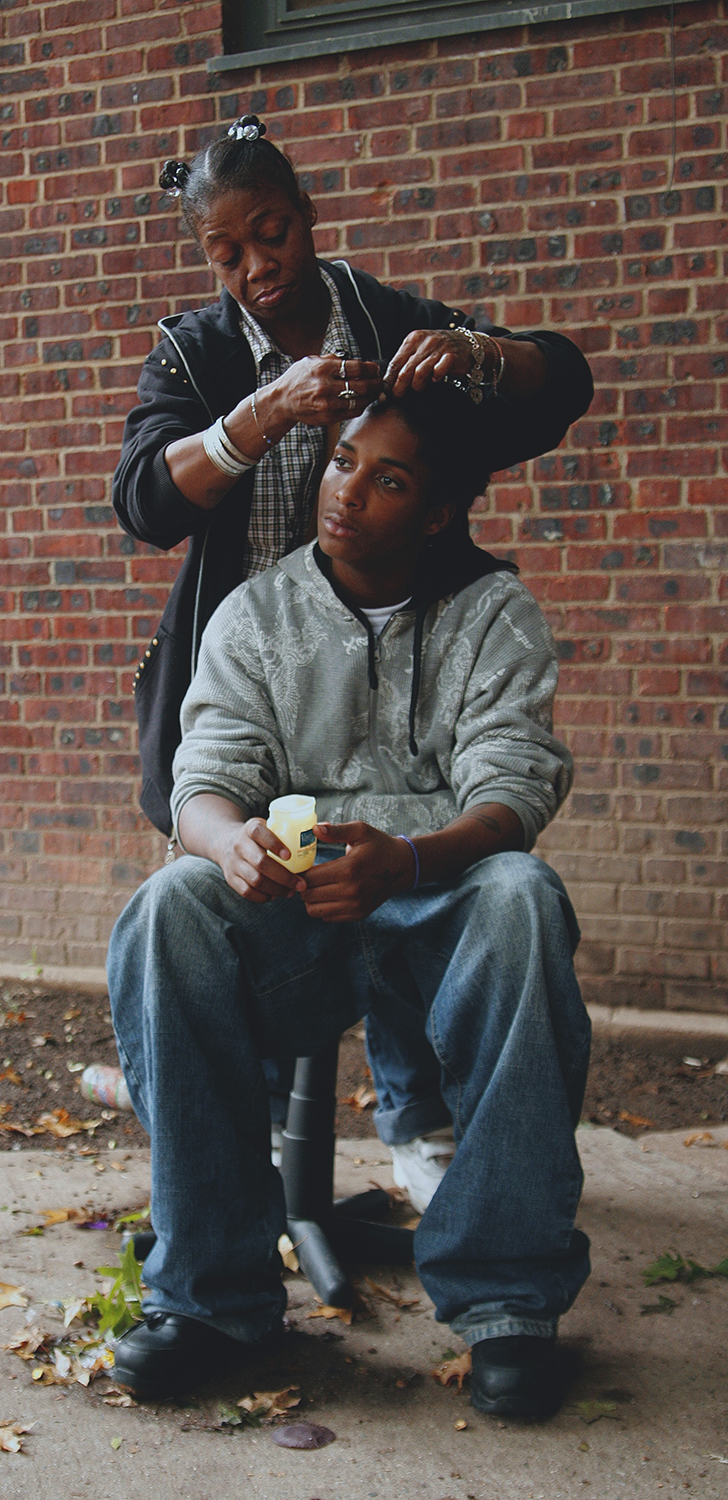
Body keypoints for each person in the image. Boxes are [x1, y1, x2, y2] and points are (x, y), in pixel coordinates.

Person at [112, 110, 594, 1200]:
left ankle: (425, 1132)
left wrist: (474, 353)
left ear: (307, 217)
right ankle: (225, 1196)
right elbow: (144, 502)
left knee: (426, 875)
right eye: (224, 252)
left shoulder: (383, 321)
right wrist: (262, 413)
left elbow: (557, 385)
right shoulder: (195, 352)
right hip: (261, 679)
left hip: (403, 656)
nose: (253, 267)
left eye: (270, 234)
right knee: (196, 916)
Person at [107, 389, 592, 1419]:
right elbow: (203, 780)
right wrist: (226, 840)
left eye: (391, 479)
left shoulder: (492, 612)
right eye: (342, 461)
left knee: (522, 896)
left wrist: (410, 861)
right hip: (293, 918)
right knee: (171, 908)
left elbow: (512, 788)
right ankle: (210, 1298)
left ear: (436, 511)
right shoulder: (260, 613)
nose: (348, 492)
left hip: (439, 908)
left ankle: (506, 1303)